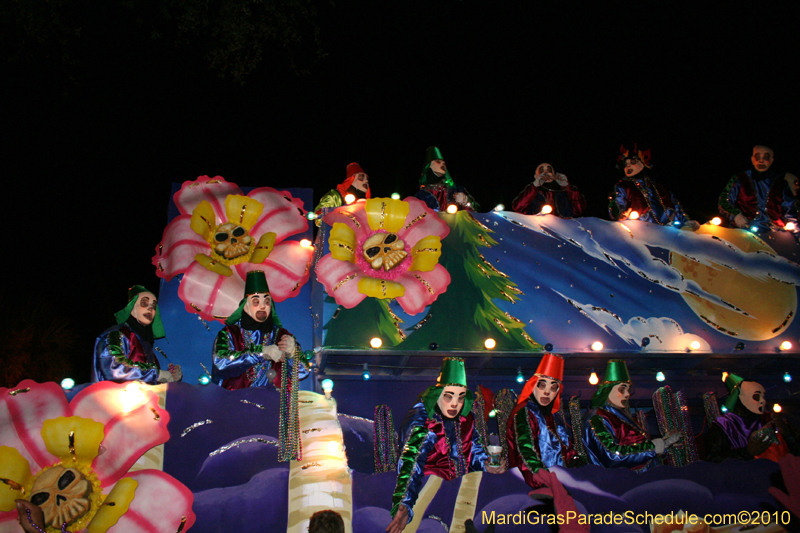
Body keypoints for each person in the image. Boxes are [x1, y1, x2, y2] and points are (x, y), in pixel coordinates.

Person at [386, 357, 505, 533]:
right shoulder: (423, 417)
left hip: (459, 495)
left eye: (461, 397)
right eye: (449, 397)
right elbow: (412, 458)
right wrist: (405, 501)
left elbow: (474, 450)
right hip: (426, 492)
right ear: (438, 394)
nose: (455, 404)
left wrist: (486, 464)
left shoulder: (466, 419)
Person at [212, 270, 307, 390]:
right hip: (236, 399)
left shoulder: (282, 336)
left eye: (266, 302)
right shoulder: (230, 333)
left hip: (273, 399)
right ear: (246, 306)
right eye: (256, 302)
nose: (262, 306)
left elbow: (302, 373)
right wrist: (261, 353)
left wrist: (292, 354)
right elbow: (220, 364)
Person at [582, 359, 678, 472]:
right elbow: (612, 456)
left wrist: (663, 444)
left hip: (640, 478)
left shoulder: (621, 417)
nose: (627, 394)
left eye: (628, 390)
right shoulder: (597, 418)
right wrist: (652, 447)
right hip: (619, 481)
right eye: (622, 389)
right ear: (607, 391)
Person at [507, 353, 584, 487]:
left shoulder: (553, 416)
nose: (547, 392)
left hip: (560, 480)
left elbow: (564, 446)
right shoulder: (525, 412)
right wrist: (543, 478)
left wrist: (574, 457)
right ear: (533, 386)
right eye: (542, 385)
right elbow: (525, 452)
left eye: (553, 388)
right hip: (532, 485)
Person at [93, 285, 182, 384]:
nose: (150, 309)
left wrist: (169, 378)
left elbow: (148, 383)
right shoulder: (115, 334)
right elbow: (114, 369)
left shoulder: (145, 345)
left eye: (153, 306)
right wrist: (157, 374)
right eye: (144, 303)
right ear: (131, 307)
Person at [705, 373, 797, 462]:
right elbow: (713, 459)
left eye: (763, 396)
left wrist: (787, 435)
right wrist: (747, 452)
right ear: (739, 398)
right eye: (756, 396)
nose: (763, 401)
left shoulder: (773, 420)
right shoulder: (724, 424)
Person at [608, 143, 694, 227]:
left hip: (669, 230)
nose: (628, 166)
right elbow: (616, 203)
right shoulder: (622, 186)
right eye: (625, 164)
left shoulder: (659, 187)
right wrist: (620, 214)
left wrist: (686, 221)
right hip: (640, 230)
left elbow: (676, 205)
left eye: (633, 161)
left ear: (643, 162)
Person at [718, 145, 797, 231]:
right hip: (745, 229)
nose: (761, 160)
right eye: (758, 157)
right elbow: (724, 201)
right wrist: (736, 215)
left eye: (765, 157)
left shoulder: (780, 183)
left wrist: (795, 231)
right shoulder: (740, 179)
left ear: (771, 160)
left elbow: (790, 209)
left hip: (774, 232)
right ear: (752, 159)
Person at [415, 146, 478, 212]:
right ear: (429, 166)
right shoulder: (421, 195)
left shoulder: (456, 188)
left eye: (444, 163)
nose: (443, 164)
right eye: (438, 162)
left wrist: (466, 201)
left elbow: (477, 210)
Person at [512, 163, 587, 217]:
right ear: (536, 176)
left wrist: (567, 186)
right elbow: (518, 207)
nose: (545, 173)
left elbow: (579, 209)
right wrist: (535, 185)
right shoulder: (532, 194)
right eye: (541, 171)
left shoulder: (564, 194)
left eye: (549, 170)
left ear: (554, 174)